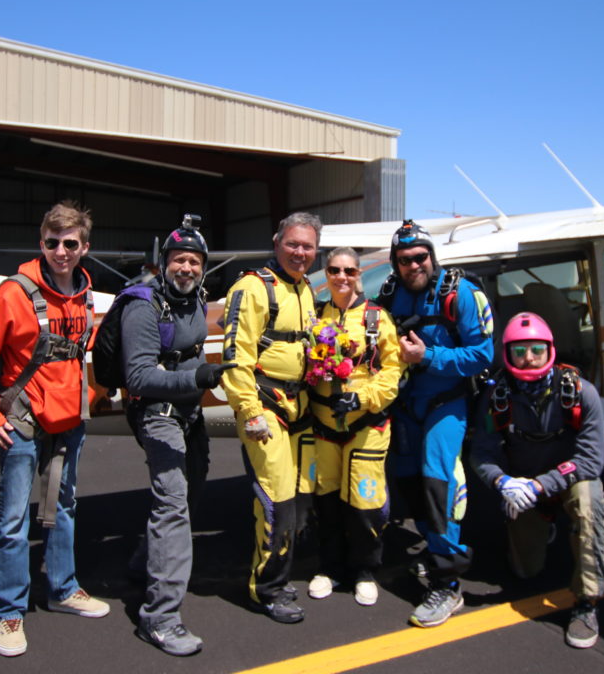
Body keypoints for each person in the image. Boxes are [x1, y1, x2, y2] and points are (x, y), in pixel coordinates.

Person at [0, 201, 109, 658]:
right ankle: (9, 611)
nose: (60, 252)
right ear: (40, 243)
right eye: (51, 243)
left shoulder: (85, 294)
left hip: (69, 422)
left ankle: (62, 588)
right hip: (23, 421)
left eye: (69, 244)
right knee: (13, 520)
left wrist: (92, 399)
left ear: (84, 248)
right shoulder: (14, 294)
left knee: (63, 507)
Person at [121, 216, 235, 656]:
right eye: (178, 259)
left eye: (194, 261)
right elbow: (139, 375)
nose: (186, 267)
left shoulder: (196, 298)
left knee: (190, 494)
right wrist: (200, 379)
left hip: (189, 414)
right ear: (163, 263)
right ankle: (161, 618)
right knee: (173, 507)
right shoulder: (143, 304)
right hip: (158, 415)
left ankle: (142, 563)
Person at [377, 219, 494, 628]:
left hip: (448, 402)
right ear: (395, 263)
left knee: (437, 481)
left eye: (420, 256)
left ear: (432, 255)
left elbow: (482, 355)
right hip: (406, 405)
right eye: (404, 259)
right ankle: (432, 548)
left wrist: (428, 359)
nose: (414, 265)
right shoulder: (390, 294)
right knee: (409, 483)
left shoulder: (461, 294)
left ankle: (447, 582)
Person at [469, 312, 604, 649]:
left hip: (567, 480)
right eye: (519, 351)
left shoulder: (580, 392)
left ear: (550, 350)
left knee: (589, 502)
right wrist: (502, 482)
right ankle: (543, 524)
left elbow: (591, 460)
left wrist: (540, 486)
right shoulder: (495, 398)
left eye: (535, 349)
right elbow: (482, 454)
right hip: (523, 484)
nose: (528, 358)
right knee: (525, 571)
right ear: (507, 354)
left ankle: (587, 602)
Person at [220, 211, 320, 623]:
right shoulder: (252, 287)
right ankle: (267, 589)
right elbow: (235, 356)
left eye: (308, 246)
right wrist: (249, 410)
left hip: (302, 407)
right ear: (277, 242)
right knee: (276, 498)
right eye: (293, 244)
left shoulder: (306, 289)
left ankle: (279, 570)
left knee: (299, 497)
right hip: (266, 407)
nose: (300, 252)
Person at [306, 248, 404, 607]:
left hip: (367, 424)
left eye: (349, 270)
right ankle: (329, 567)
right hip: (323, 424)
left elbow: (394, 369)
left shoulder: (376, 318)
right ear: (327, 273)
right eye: (334, 270)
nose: (341, 277)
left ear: (358, 273)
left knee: (364, 501)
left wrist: (363, 399)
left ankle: (365, 569)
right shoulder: (315, 315)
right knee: (326, 500)